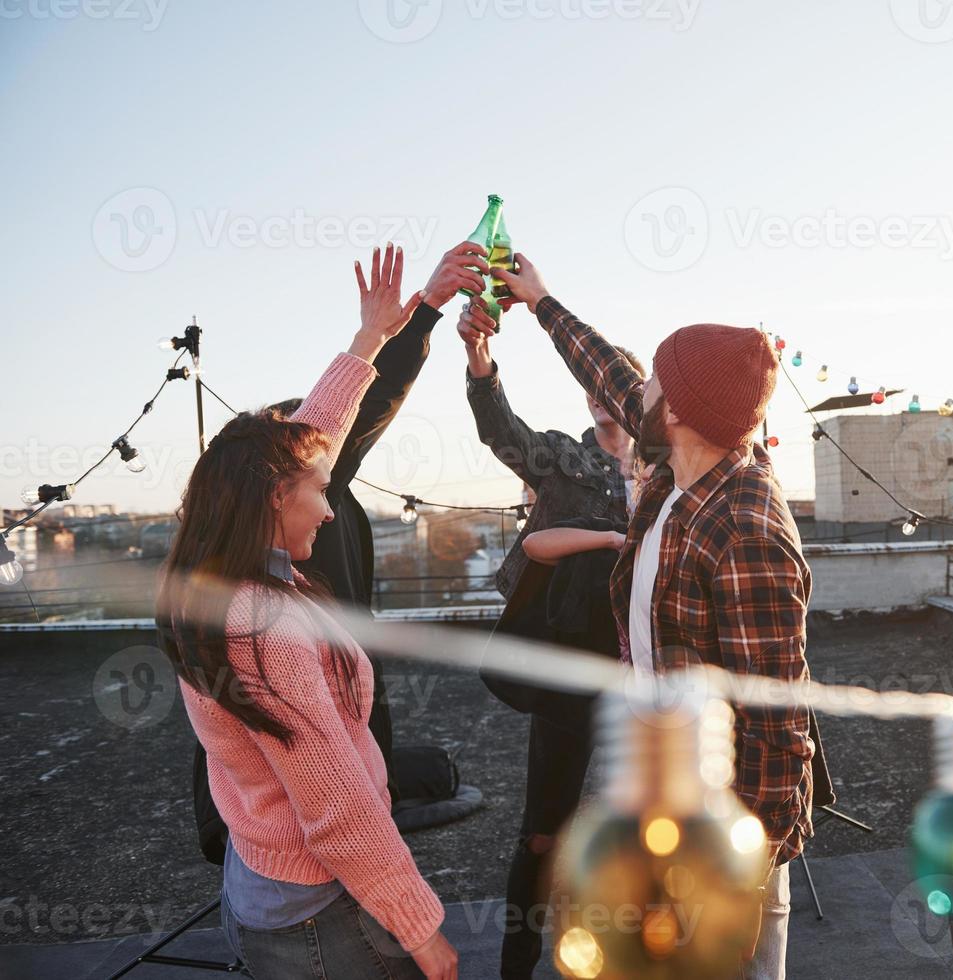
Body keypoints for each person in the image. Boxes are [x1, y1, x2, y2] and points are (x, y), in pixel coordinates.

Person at [488, 254, 815, 980]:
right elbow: (608, 373)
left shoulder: (746, 524)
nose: (638, 392)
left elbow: (777, 719)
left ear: (677, 411)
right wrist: (541, 301)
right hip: (668, 796)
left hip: (725, 834)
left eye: (656, 384)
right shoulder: (677, 469)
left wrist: (738, 865)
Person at [157, 246, 458, 980]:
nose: (329, 510)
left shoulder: (212, 574)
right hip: (321, 918)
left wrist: (372, 339)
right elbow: (338, 810)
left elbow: (311, 437)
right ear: (271, 500)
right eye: (318, 493)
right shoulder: (266, 630)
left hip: (265, 884)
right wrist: (422, 932)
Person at [191, 241, 493, 864]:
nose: (326, 503)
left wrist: (392, 325)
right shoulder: (260, 613)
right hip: (303, 856)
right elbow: (344, 414)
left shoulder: (217, 562)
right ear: (274, 488)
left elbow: (336, 413)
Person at [457, 297, 643, 980]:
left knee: (644, 824)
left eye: (614, 387)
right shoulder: (564, 457)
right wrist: (480, 360)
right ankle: (516, 963)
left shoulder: (665, 475)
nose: (602, 400)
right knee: (543, 831)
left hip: (642, 668)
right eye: (593, 388)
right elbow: (499, 429)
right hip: (567, 663)